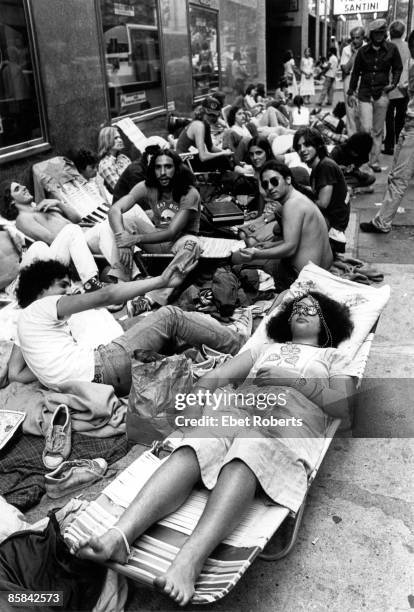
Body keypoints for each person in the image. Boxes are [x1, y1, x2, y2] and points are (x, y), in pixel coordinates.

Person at [74, 291, 355, 606]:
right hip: (238, 408)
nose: (302, 311)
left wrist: (292, 380)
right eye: (297, 308)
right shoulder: (266, 348)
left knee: (249, 451)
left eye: (311, 310)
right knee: (195, 446)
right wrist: (195, 406)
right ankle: (119, 536)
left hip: (288, 419)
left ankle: (189, 561)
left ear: (326, 322)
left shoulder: (333, 357)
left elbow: (343, 405)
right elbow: (217, 376)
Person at [9, 259, 247, 395]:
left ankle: (210, 355)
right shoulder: (43, 308)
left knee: (153, 321)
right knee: (170, 315)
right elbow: (108, 294)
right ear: (40, 291)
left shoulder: (27, 325)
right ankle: (241, 345)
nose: (69, 293)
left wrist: (50, 374)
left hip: (96, 380)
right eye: (62, 287)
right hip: (104, 366)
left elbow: (15, 374)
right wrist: (161, 280)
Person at [107, 149, 201, 311]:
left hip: (182, 239)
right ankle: (121, 286)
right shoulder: (146, 186)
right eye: (158, 167)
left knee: (193, 245)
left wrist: (135, 239)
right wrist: (122, 238)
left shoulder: (189, 192)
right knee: (127, 219)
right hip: (157, 237)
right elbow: (115, 209)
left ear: (177, 168)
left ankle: (150, 299)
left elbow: (172, 232)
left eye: (168, 167)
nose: (163, 172)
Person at [233, 161, 333, 288]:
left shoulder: (292, 205)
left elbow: (290, 248)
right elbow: (302, 240)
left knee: (235, 258)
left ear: (288, 179)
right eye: (265, 184)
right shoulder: (299, 199)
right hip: (319, 271)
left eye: (274, 181)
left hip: (301, 278)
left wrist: (257, 254)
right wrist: (273, 244)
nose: (269, 187)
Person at [0, 180, 103, 292]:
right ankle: (90, 282)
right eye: (17, 189)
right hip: (64, 256)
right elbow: (50, 239)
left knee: (107, 226)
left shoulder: (44, 206)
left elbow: (77, 219)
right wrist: (75, 231)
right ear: (11, 202)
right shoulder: (23, 218)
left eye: (21, 185)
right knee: (75, 229)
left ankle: (106, 275)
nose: (24, 187)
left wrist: (58, 203)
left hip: (81, 242)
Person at [360, 30, 414, 233]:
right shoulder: (412, 65)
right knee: (395, 176)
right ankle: (382, 220)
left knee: (398, 178)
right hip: (408, 126)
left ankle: (382, 222)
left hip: (412, 128)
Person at [347, 19, 403, 173]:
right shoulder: (362, 52)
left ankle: (374, 161)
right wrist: (350, 92)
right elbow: (355, 72)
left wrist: (393, 84)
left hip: (382, 94)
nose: (379, 35)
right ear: (371, 34)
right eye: (376, 33)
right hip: (364, 93)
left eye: (381, 32)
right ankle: (363, 160)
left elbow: (398, 67)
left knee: (378, 130)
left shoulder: (392, 49)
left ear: (385, 33)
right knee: (366, 129)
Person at [294, 127, 350, 255]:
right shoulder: (318, 167)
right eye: (298, 147)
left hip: (333, 226)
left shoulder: (326, 166)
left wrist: (300, 192)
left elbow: (323, 203)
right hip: (330, 220)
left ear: (317, 146)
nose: (302, 150)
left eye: (307, 145)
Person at [176, 97, 234, 172]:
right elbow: (203, 157)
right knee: (222, 160)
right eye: (209, 114)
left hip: (191, 158)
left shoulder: (205, 124)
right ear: (202, 111)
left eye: (214, 115)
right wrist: (223, 153)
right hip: (185, 162)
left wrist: (226, 152)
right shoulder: (199, 125)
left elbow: (211, 147)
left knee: (226, 157)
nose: (211, 117)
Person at [382, 20, 410, 156]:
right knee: (400, 118)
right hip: (404, 88)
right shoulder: (408, 47)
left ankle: (388, 146)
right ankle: (398, 145)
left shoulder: (386, 46)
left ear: (390, 32)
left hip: (388, 87)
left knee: (388, 118)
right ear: (403, 32)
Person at [340, 26, 365, 136]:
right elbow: (345, 69)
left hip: (363, 79)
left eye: (357, 38)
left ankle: (363, 136)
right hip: (349, 79)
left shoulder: (368, 48)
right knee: (350, 111)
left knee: (363, 110)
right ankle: (352, 137)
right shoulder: (346, 49)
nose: (355, 41)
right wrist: (355, 54)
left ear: (362, 37)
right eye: (353, 38)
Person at [97, 126, 131, 192]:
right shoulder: (105, 164)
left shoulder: (123, 157)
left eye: (120, 137)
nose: (120, 140)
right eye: (115, 138)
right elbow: (120, 190)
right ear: (106, 140)